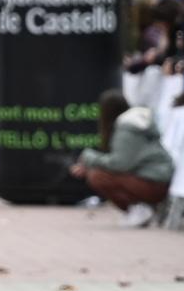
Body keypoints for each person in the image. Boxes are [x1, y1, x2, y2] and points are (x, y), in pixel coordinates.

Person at [70, 89, 174, 228]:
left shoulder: (127, 129)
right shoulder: (132, 124)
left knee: (97, 176)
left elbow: (120, 164)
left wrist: (88, 157)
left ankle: (139, 209)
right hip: (158, 179)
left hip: (155, 182)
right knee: (97, 172)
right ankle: (141, 209)